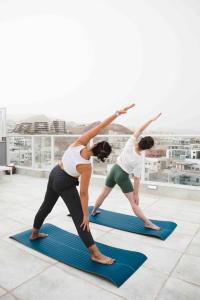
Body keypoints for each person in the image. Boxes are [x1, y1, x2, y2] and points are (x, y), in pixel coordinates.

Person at [29, 104, 134, 265]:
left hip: (55, 172)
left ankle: (34, 232)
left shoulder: (79, 142)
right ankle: (95, 254)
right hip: (64, 183)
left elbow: (100, 127)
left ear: (95, 145)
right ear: (101, 157)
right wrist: (85, 214)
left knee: (47, 205)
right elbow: (83, 193)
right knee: (79, 219)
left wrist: (116, 114)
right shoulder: (87, 167)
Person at [92, 113, 162, 231]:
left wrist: (151, 119)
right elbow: (136, 178)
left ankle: (93, 211)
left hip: (114, 169)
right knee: (133, 203)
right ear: (147, 148)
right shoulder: (139, 159)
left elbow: (140, 129)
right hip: (122, 176)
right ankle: (147, 222)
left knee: (104, 193)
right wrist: (136, 194)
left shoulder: (130, 143)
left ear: (141, 140)